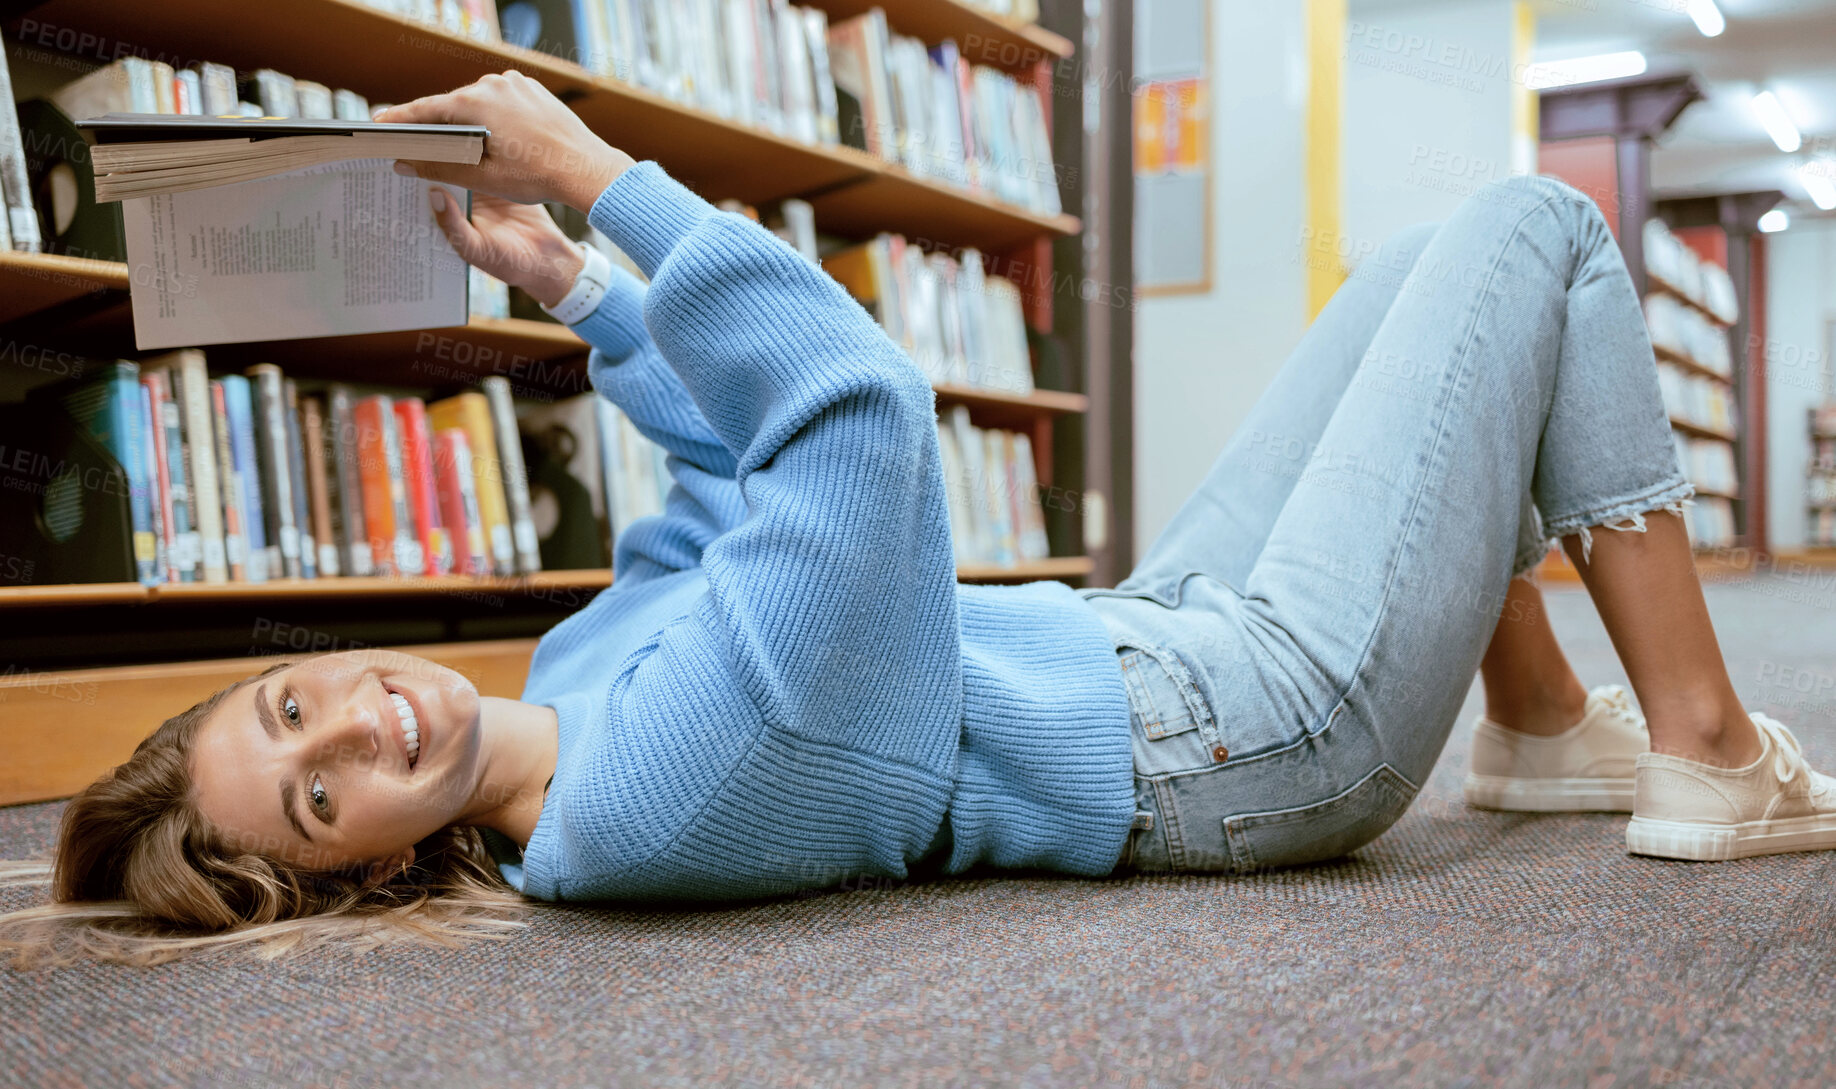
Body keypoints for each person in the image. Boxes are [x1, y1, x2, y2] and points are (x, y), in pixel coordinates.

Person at [4, 72, 1832, 968]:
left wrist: (574, 284)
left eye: (287, 707)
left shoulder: (571, 678)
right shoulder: (647, 804)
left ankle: (1532, 732)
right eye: (321, 799)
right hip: (1254, 738)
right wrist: (610, 179)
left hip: (1149, 632)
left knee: (1425, 275)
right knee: (1540, 236)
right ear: (378, 865)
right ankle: (1706, 751)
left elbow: (731, 486)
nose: (354, 723)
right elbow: (855, 431)